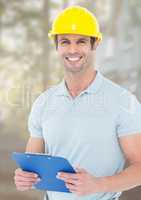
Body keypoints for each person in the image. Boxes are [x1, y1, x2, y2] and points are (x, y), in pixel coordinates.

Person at [14, 5, 141, 200]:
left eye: (81, 41)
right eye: (65, 41)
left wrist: (98, 185)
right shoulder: (43, 103)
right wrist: (24, 177)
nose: (72, 49)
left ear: (95, 44)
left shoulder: (123, 101)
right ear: (56, 45)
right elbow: (33, 164)